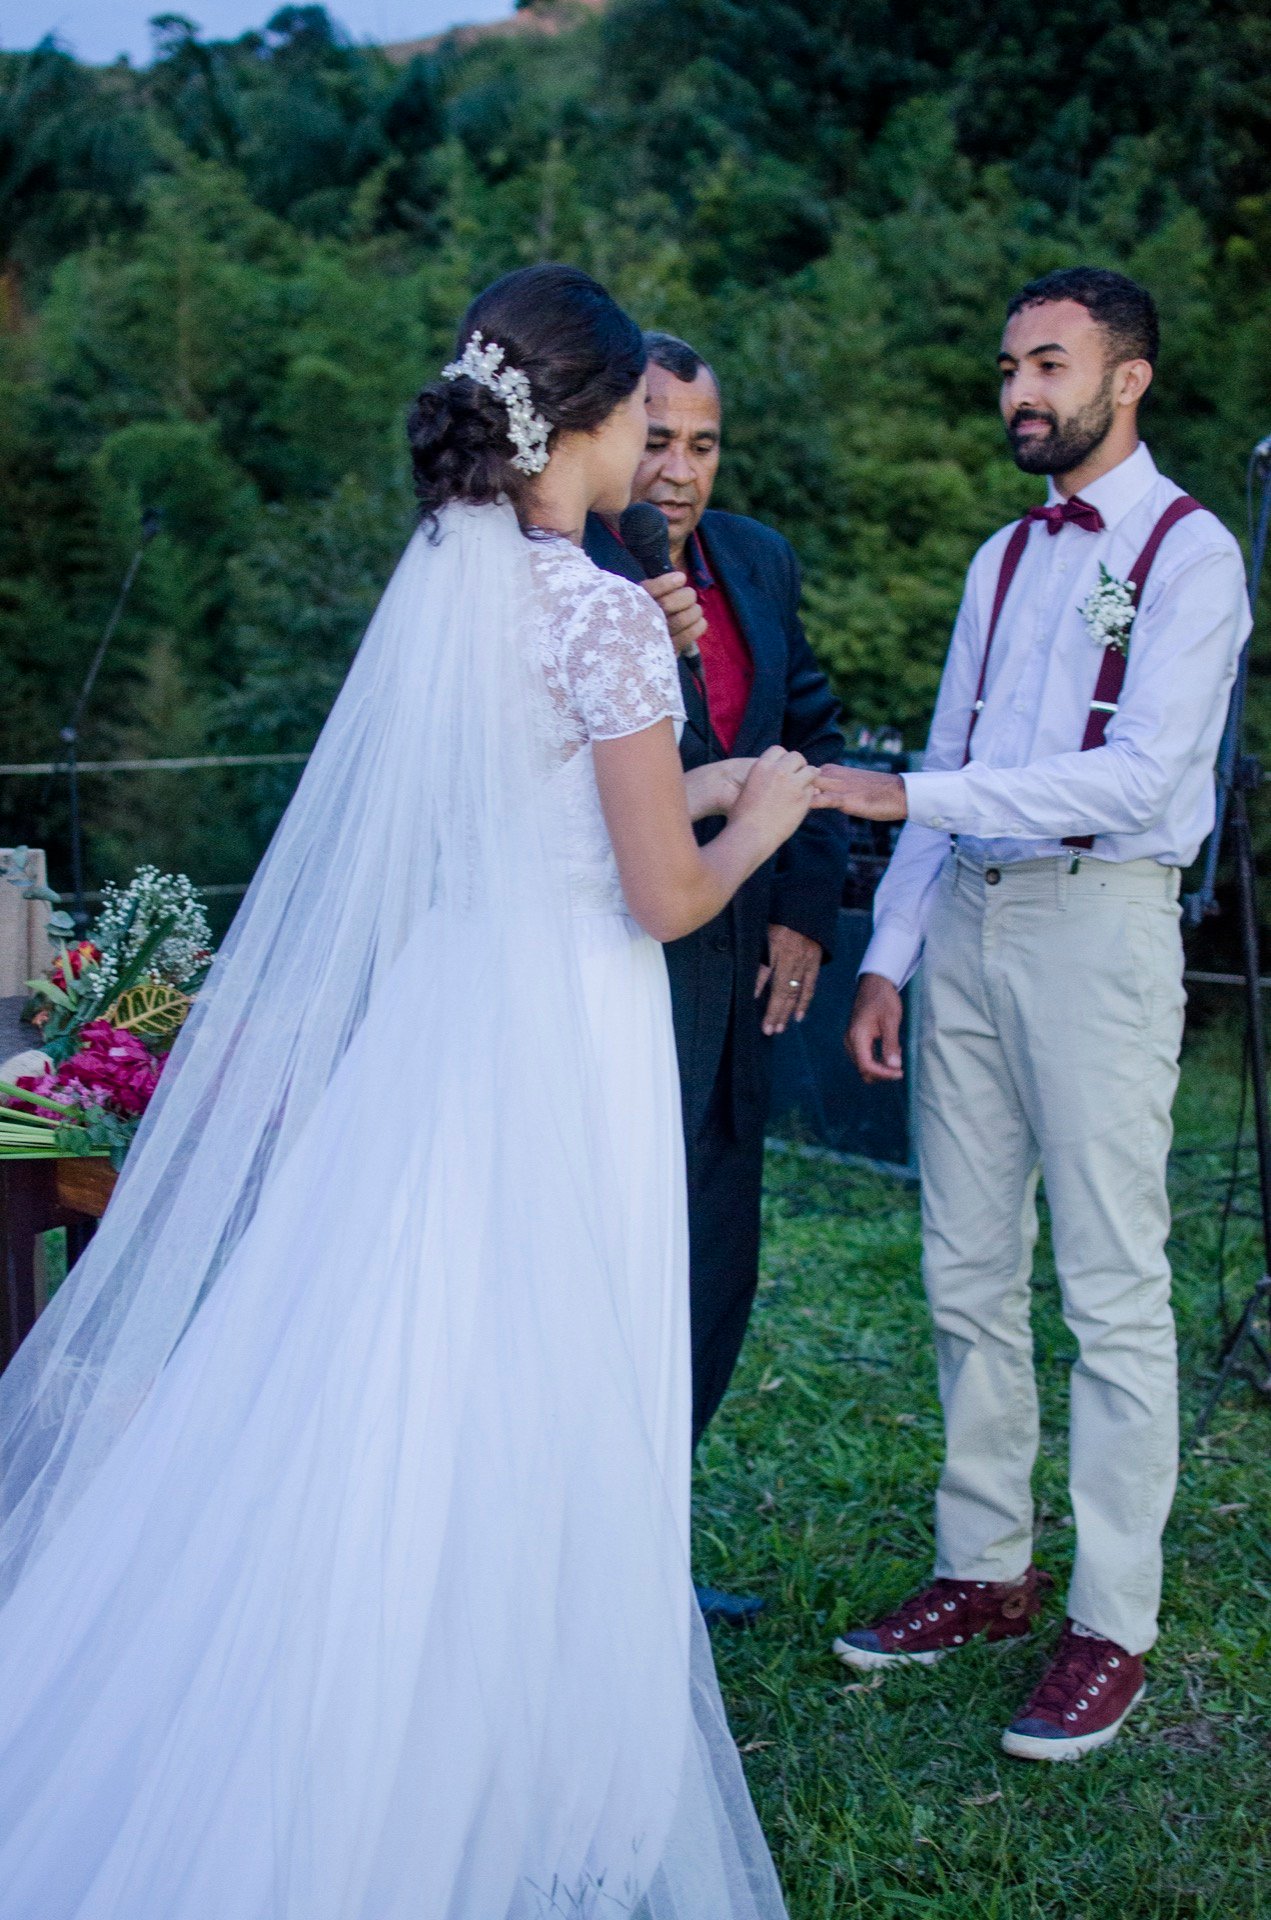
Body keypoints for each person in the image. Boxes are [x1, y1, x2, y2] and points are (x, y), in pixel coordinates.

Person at [0, 265, 807, 1916]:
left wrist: (701, 776)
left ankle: (388, 1693)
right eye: (641, 420)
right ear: (593, 420)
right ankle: (510, 1754)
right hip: (567, 1029)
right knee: (552, 1364)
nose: (654, 447)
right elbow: (662, 898)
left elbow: (532, 807)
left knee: (415, 1350)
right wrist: (770, 816)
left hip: (452, 1018)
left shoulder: (449, 578)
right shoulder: (598, 608)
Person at [813, 267, 1249, 1761]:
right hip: (966, 923)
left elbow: (1138, 777)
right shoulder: (998, 558)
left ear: (1126, 379)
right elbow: (950, 754)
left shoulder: (1191, 554)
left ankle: (1109, 1621)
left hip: (1096, 924)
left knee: (1110, 1287)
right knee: (962, 1269)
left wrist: (904, 797)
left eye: (1047, 364)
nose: (1017, 391)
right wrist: (889, 952)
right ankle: (983, 1568)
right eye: (1008, 365)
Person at [585, 337, 849, 1621]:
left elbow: (809, 732)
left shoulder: (756, 558)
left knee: (712, 1270)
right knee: (610, 1274)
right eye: (654, 440)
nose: (678, 473)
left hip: (737, 978)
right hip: (615, 974)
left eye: (701, 444)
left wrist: (802, 909)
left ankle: (647, 1555)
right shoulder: (561, 572)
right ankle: (580, 1564)